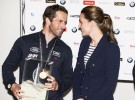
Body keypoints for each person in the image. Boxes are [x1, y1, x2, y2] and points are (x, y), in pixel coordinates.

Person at [2, 4, 73, 100]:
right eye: (60, 21)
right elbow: (7, 66)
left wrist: (57, 86)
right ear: (48, 20)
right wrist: (13, 85)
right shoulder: (24, 42)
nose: (63, 26)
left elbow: (68, 78)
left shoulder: (65, 49)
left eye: (65, 22)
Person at [73, 6, 120, 100]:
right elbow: (77, 73)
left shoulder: (111, 47)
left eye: (81, 22)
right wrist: (78, 97)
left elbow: (110, 83)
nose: (79, 26)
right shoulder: (84, 43)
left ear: (92, 23)